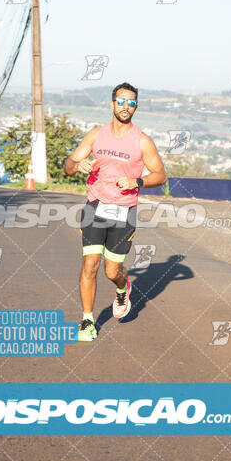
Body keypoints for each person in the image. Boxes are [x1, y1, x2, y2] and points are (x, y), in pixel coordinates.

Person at [64, 82, 167, 341]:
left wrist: (138, 182)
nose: (125, 106)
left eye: (131, 103)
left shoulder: (142, 141)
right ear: (112, 104)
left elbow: (160, 175)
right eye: (121, 101)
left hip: (124, 212)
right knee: (90, 265)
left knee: (112, 271)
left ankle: (123, 287)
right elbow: (68, 164)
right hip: (95, 207)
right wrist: (78, 165)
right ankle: (87, 321)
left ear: (136, 107)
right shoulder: (96, 135)